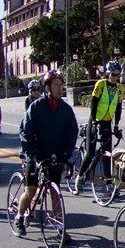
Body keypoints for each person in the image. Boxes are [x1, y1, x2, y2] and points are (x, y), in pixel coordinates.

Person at [15, 70, 78, 238]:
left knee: (55, 193)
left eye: (61, 85)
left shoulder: (66, 109)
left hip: (54, 156)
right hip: (35, 155)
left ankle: (60, 229)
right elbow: (25, 131)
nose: (60, 89)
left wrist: (66, 154)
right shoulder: (36, 107)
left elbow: (72, 133)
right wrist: (34, 152)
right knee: (31, 190)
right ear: (48, 88)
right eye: (56, 85)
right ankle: (19, 217)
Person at [74, 60, 125, 189]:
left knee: (107, 153)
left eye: (117, 75)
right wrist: (96, 123)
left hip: (107, 122)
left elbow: (118, 109)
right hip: (95, 120)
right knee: (90, 153)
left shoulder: (120, 89)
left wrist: (116, 126)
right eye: (113, 74)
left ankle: (109, 184)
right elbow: (94, 104)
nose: (115, 77)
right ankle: (79, 177)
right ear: (108, 74)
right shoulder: (100, 84)